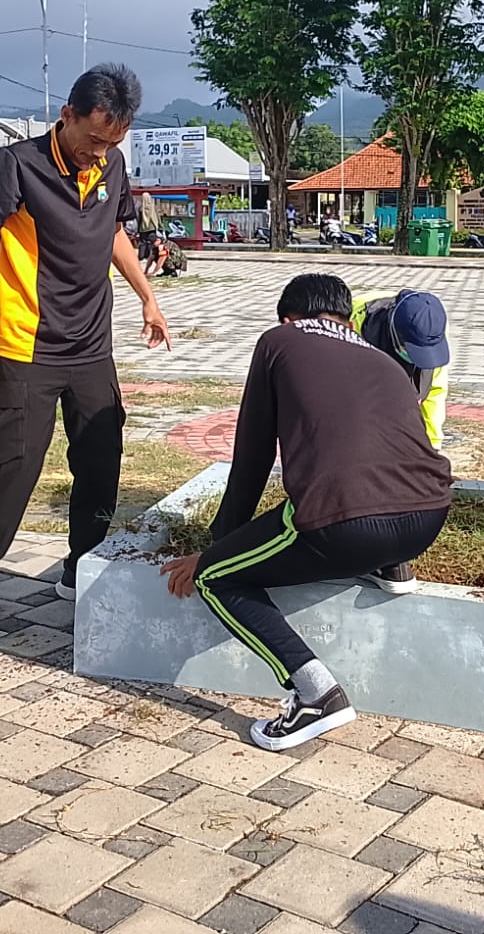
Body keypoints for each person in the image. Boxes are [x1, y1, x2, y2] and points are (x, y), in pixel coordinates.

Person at [161, 273, 452, 750]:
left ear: (287, 317)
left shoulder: (278, 341)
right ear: (345, 317)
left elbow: (253, 453)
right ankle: (390, 565)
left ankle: (315, 695)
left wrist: (219, 549)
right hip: (429, 517)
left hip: (346, 521)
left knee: (218, 578)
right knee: (362, 489)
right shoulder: (382, 358)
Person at [0, 64, 170, 644]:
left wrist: (147, 296)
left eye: (112, 142)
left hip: (93, 346)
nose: (101, 153)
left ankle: (82, 566)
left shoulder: (111, 165)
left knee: (100, 462)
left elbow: (117, 233)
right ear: (65, 116)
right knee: (13, 468)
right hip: (28, 346)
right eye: (94, 139)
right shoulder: (18, 165)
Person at [349, 288, 451, 594]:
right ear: (395, 335)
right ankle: (369, 551)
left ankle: (390, 552)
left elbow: (433, 395)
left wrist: (431, 450)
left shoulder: (431, 339)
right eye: (411, 350)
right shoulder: (353, 327)